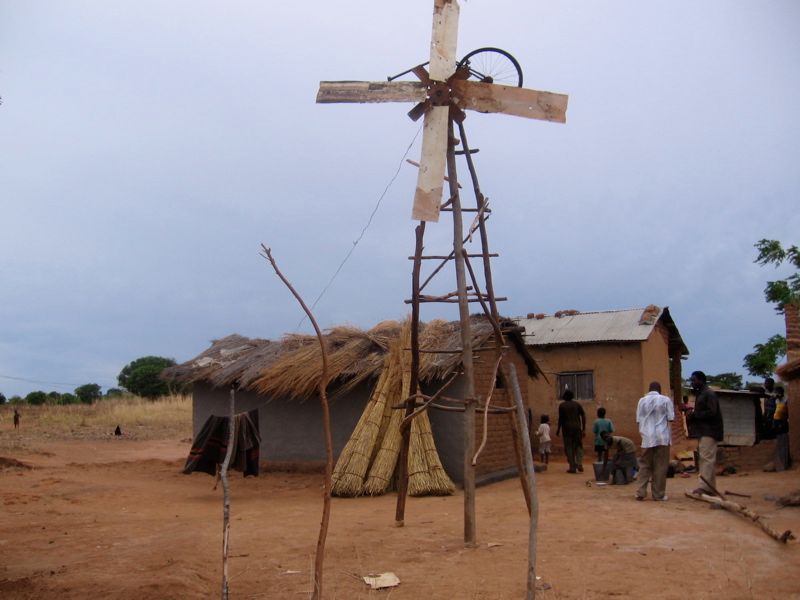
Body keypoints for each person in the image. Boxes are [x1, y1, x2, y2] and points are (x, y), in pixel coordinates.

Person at [635, 381, 674, 501]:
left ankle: (640, 492)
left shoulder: (641, 401)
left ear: (649, 389)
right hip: (662, 437)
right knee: (660, 466)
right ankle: (658, 494)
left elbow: (638, 420)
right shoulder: (666, 400)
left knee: (644, 465)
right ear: (659, 390)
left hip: (647, 438)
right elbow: (671, 418)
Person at [686, 371, 723, 495]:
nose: (692, 382)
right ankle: (710, 488)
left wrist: (694, 415)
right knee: (707, 460)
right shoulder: (702, 394)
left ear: (701, 380)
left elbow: (712, 412)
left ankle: (704, 487)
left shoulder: (709, 394)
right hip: (704, 431)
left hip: (710, 431)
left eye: (694, 380)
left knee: (706, 460)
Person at [556, 389, 586, 473]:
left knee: (569, 447)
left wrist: (558, 429)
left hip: (566, 429)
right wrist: (583, 429)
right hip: (577, 428)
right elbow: (583, 415)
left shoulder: (562, 406)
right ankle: (579, 463)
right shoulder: (577, 404)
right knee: (578, 446)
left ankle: (572, 466)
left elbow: (560, 419)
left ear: (564, 397)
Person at [773, 386, 790, 472]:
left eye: (777, 392)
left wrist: (783, 422)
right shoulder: (777, 401)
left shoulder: (786, 400)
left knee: (783, 438)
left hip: (782, 422)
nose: (776, 394)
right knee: (779, 438)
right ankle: (780, 461)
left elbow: (787, 412)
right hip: (776, 421)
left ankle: (784, 462)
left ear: (781, 392)